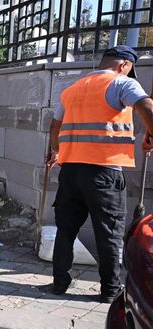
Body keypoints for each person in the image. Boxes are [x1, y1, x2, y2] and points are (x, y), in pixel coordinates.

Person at [47, 45, 153, 303]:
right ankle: (110, 291)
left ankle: (59, 283)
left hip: (71, 171)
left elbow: (55, 126)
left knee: (66, 229)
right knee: (108, 233)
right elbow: (146, 106)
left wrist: (55, 152)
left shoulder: (72, 88)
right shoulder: (121, 83)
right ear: (124, 65)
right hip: (104, 172)